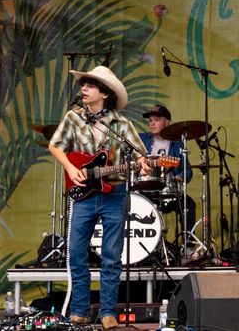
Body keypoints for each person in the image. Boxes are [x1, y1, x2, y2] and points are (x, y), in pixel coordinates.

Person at [48, 66, 149, 329]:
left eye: (90, 85)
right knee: (77, 254)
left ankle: (108, 312)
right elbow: (55, 145)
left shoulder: (122, 125)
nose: (84, 88)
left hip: (114, 194)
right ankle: (80, 310)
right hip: (83, 195)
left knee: (111, 256)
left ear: (104, 93)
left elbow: (140, 155)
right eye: (84, 84)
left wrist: (145, 163)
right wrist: (71, 168)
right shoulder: (73, 118)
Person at [139, 104, 195, 215]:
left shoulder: (178, 143)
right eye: (150, 120)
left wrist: (179, 177)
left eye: (157, 120)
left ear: (167, 122)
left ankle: (186, 233)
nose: (152, 124)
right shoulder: (141, 139)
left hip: (168, 192)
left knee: (189, 205)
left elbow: (188, 170)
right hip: (144, 191)